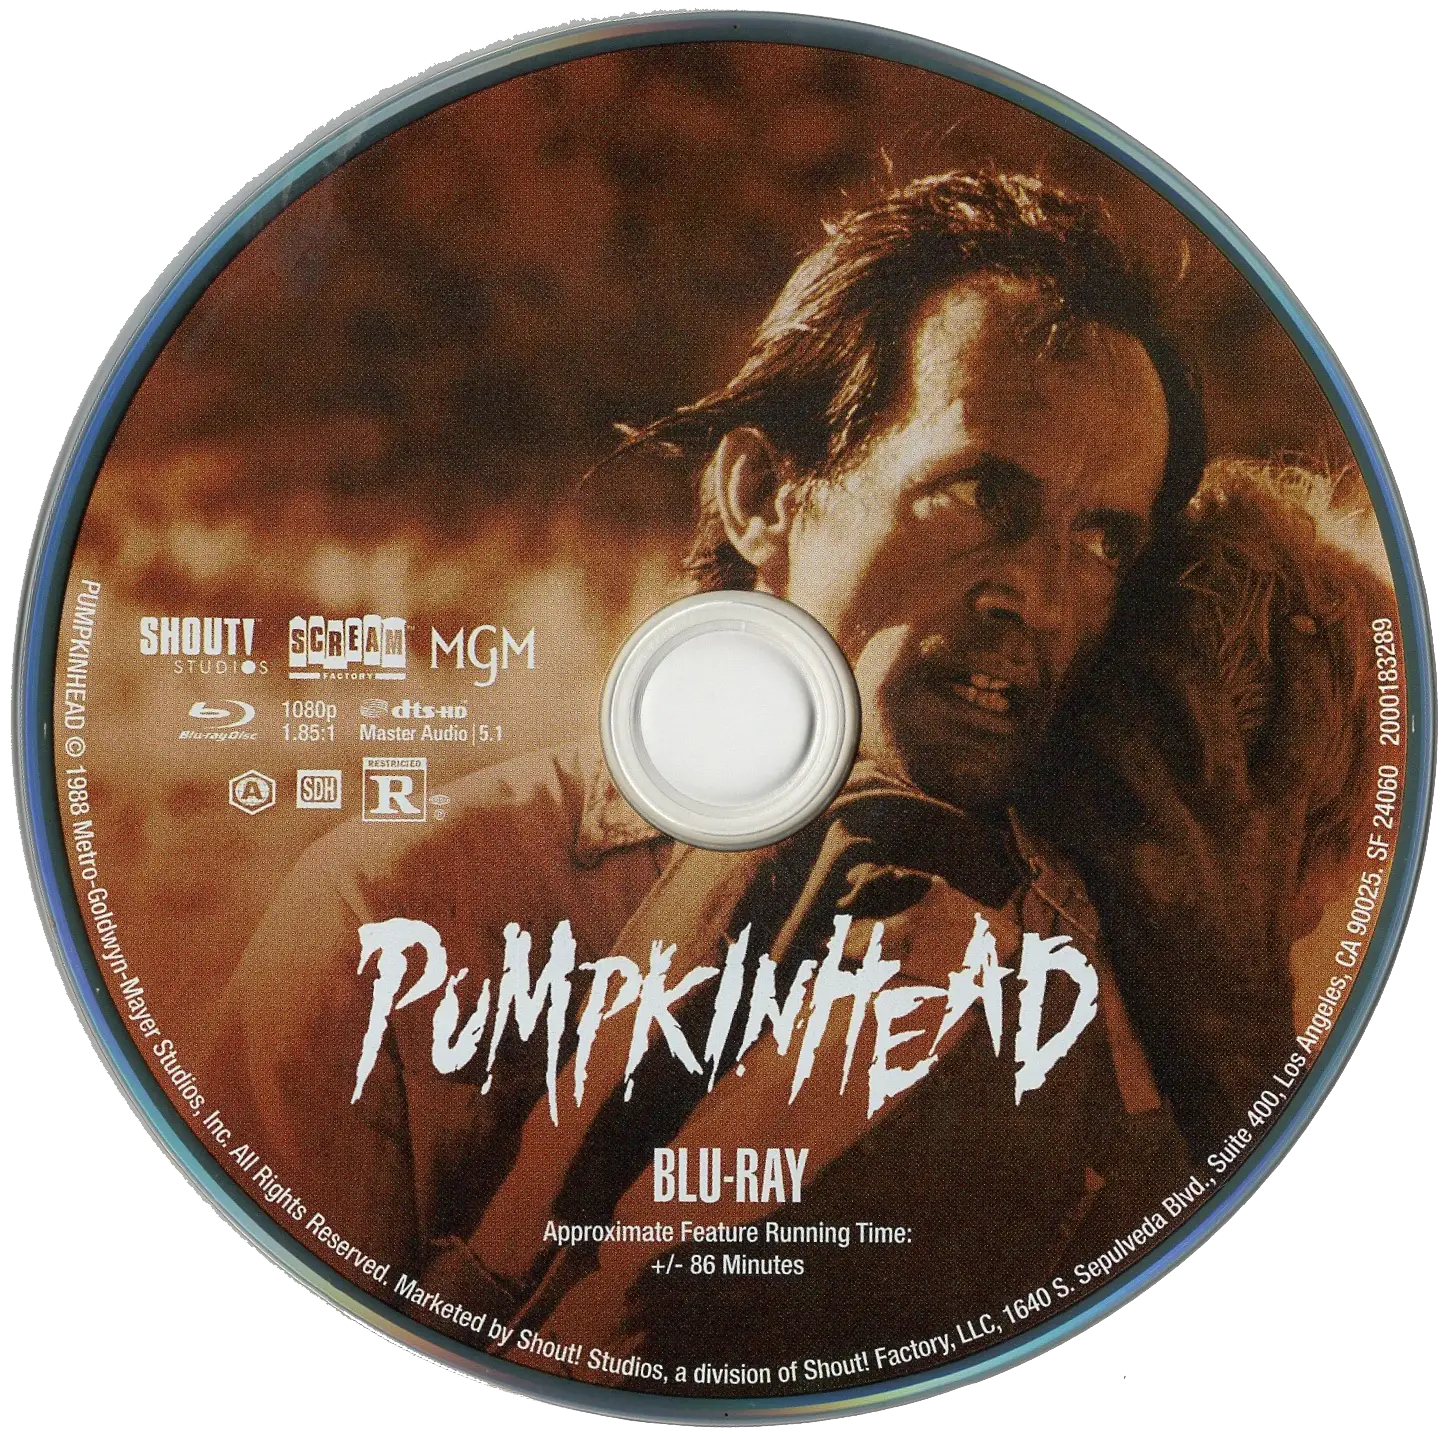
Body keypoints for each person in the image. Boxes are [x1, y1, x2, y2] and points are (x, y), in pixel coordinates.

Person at [206, 171, 1212, 1381]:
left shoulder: (1127, 968)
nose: (1040, 598)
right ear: (761, 496)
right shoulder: (404, 918)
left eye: (1100, 538)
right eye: (978, 495)